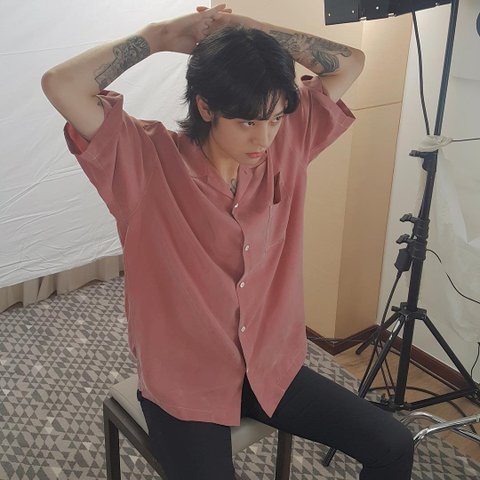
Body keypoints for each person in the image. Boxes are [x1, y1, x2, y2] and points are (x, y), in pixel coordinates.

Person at [42, 4, 414, 479]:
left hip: (270, 367)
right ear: (205, 107)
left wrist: (250, 30)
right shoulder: (145, 162)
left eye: (274, 119)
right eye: (247, 123)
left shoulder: (284, 141)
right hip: (187, 384)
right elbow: (62, 84)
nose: (264, 138)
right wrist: (159, 36)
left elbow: (350, 63)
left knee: (393, 445)